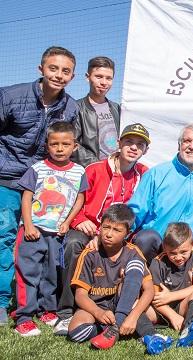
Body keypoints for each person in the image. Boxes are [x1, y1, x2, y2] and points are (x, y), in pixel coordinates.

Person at [0, 46, 78, 325]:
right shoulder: (11, 96)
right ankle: (2, 300)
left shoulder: (70, 107)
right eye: (53, 68)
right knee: (5, 237)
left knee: (41, 246)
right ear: (41, 69)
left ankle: (43, 302)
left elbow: (65, 144)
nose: (59, 75)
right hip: (7, 178)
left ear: (72, 75)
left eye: (66, 71)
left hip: (45, 185)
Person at [55, 123, 150, 335]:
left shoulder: (145, 174)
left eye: (139, 144)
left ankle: (132, 305)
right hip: (89, 227)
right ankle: (66, 312)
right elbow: (74, 201)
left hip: (124, 232)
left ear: (145, 150)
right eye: (128, 142)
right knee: (73, 243)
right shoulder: (94, 169)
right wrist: (79, 219)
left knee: (146, 241)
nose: (133, 147)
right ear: (119, 143)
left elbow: (143, 209)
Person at [127, 124, 193, 298]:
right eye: (187, 141)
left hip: (192, 248)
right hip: (159, 246)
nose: (192, 146)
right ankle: (145, 287)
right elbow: (135, 211)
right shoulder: (156, 174)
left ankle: (178, 291)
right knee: (145, 238)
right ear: (179, 145)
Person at [13, 122, 87, 336]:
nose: (60, 148)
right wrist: (28, 224)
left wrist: (67, 221)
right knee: (28, 273)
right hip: (33, 232)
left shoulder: (78, 171)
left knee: (51, 273)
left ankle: (48, 310)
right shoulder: (38, 168)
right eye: (55, 144)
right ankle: (24, 317)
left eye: (66, 144)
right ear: (47, 146)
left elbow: (79, 199)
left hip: (57, 234)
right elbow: (26, 197)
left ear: (75, 146)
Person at [68, 204, 168, 352]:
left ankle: (134, 329)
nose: (109, 234)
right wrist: (98, 312)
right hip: (97, 306)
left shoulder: (133, 252)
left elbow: (148, 290)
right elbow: (80, 295)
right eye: (106, 227)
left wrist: (132, 317)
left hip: (125, 304)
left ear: (128, 233)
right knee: (76, 332)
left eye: (116, 230)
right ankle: (116, 328)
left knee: (135, 266)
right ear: (100, 227)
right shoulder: (90, 253)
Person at [146, 222, 193, 348]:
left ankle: (188, 329)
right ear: (164, 248)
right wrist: (173, 316)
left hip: (183, 305)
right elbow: (154, 297)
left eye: (183, 252)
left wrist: (170, 296)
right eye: (172, 253)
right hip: (161, 308)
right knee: (140, 306)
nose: (178, 257)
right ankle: (150, 335)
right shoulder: (157, 263)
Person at [72, 56, 121, 167]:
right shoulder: (76, 107)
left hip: (117, 168)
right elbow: (72, 143)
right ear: (87, 77)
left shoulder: (116, 108)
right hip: (92, 169)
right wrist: (98, 165)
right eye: (99, 77)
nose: (104, 82)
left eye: (109, 78)